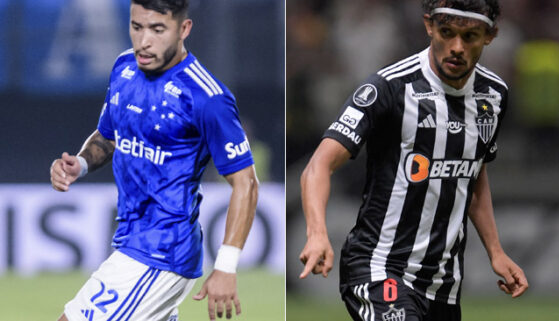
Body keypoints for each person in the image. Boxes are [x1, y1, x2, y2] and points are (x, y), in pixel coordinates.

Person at [298, 0, 528, 320]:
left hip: (442, 284)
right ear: (429, 26)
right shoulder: (388, 87)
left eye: (471, 36)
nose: (457, 47)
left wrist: (496, 252)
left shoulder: (494, 94)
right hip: (379, 267)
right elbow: (318, 165)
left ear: (490, 36)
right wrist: (317, 233)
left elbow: (473, 176)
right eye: (447, 32)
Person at [49, 1, 258, 320]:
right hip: (132, 238)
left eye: (157, 29)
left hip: (161, 249)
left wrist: (226, 267)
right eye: (137, 27)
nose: (143, 40)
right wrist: (80, 164)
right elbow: (108, 136)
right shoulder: (123, 67)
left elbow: (247, 183)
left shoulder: (206, 97)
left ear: (183, 29)